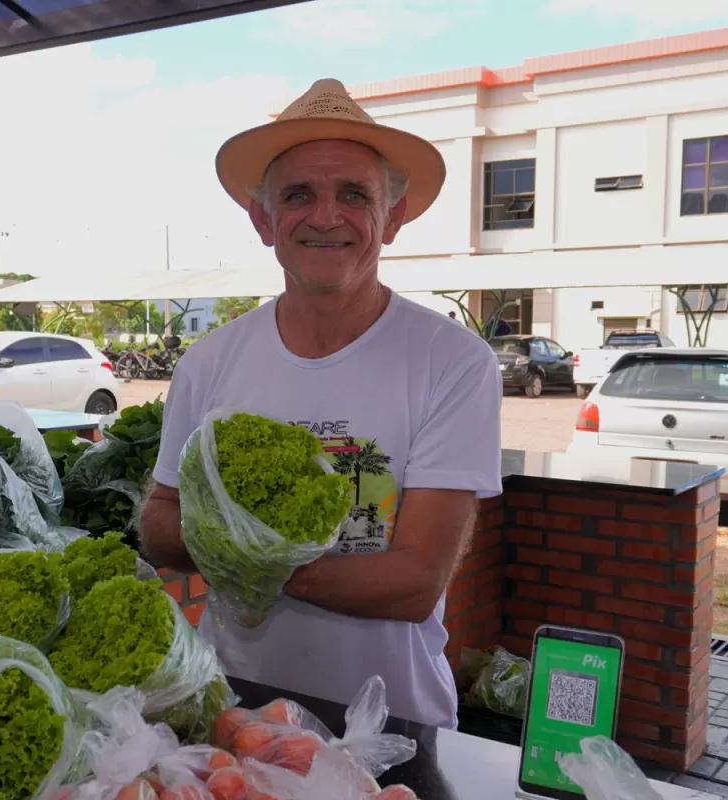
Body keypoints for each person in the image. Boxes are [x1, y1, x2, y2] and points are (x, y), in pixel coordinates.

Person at [138, 78, 503, 729]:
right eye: (298, 194)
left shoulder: (452, 361)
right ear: (264, 221)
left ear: (393, 218)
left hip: (393, 721)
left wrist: (247, 559)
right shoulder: (210, 361)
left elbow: (415, 582)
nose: (326, 216)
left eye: (355, 194)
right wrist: (241, 544)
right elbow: (160, 522)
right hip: (236, 712)